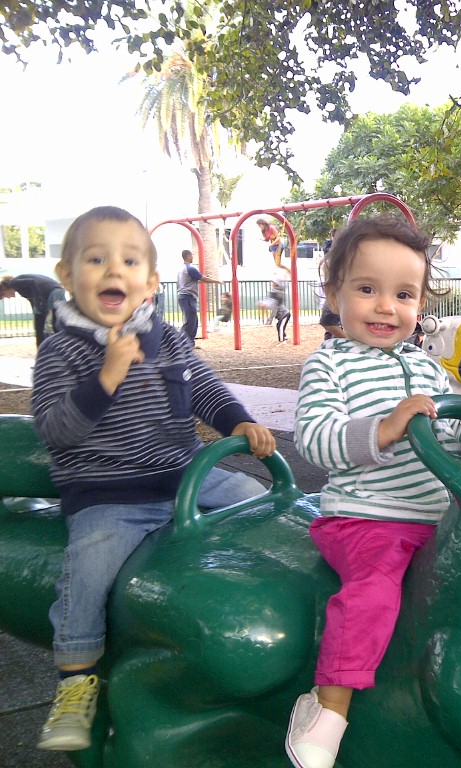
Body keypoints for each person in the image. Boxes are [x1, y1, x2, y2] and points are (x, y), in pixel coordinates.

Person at [30, 206, 277, 752]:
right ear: (67, 276)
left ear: (150, 282)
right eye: (96, 259)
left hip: (185, 475)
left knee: (255, 498)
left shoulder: (167, 338)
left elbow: (204, 389)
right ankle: (76, 679)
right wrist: (107, 376)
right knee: (89, 567)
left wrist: (239, 421)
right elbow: (56, 431)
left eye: (128, 260)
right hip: (109, 492)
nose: (113, 270)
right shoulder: (61, 351)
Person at [288, 216, 461, 768]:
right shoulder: (329, 363)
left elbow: (453, 438)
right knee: (372, 592)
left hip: (436, 519)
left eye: (403, 294)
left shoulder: (428, 368)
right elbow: (315, 440)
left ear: (421, 304)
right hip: (366, 518)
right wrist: (384, 428)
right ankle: (327, 709)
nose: (385, 307)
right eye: (367, 289)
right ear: (334, 294)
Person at [0, 273, 67, 347]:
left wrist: (39, 300)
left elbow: (32, 282)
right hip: (55, 290)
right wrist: (37, 309)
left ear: (4, 289)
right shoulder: (21, 288)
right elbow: (32, 300)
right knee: (45, 323)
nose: (7, 297)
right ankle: (46, 346)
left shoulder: (13, 283)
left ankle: (52, 346)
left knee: (51, 324)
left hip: (52, 292)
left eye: (4, 295)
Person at [177, 249, 220, 346]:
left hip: (185, 296)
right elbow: (203, 278)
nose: (193, 257)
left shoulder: (182, 269)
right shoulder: (190, 269)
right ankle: (181, 342)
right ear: (188, 256)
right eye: (191, 255)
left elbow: (196, 280)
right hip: (187, 296)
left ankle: (189, 342)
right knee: (190, 321)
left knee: (193, 321)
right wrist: (217, 281)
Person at [258, 264, 292, 343]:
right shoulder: (274, 293)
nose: (272, 284)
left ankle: (282, 340)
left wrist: (269, 320)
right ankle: (284, 336)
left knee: (280, 326)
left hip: (285, 314)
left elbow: (273, 310)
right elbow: (269, 302)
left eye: (274, 283)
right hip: (281, 313)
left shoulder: (277, 293)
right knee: (279, 325)